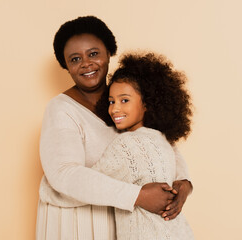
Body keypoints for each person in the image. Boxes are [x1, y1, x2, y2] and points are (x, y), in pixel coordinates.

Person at [36, 16, 193, 239]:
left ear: (109, 52)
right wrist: (137, 196)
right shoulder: (61, 109)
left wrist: (184, 183)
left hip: (127, 219)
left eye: (93, 54)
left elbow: (162, 143)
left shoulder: (126, 97)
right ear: (66, 66)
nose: (86, 64)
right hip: (78, 221)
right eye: (74, 59)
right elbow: (64, 175)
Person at [93, 52, 194, 239]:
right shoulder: (163, 141)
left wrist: (49, 189)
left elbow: (89, 183)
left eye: (125, 100)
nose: (114, 109)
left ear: (147, 104)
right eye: (111, 101)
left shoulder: (126, 144)